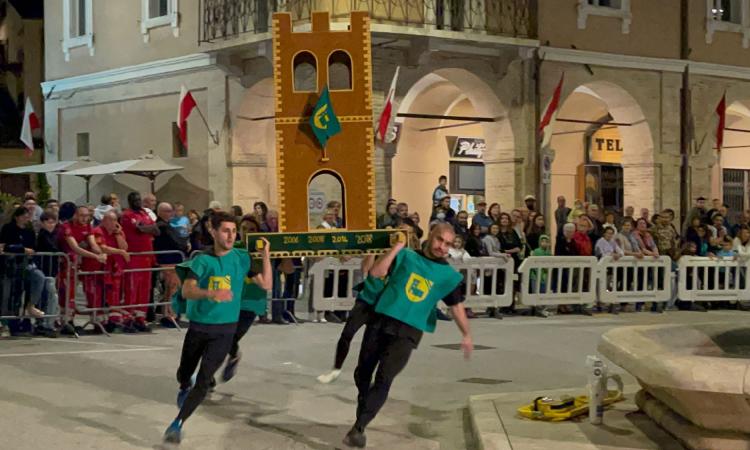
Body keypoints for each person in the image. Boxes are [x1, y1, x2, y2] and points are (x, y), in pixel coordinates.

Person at [342, 223, 472, 448]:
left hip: (409, 330)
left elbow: (456, 306)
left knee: (385, 377)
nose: (443, 247)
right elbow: (375, 273)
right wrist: (395, 249)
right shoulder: (406, 256)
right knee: (362, 373)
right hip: (381, 318)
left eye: (448, 244)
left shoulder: (447, 276)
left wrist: (466, 334)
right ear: (431, 236)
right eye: (440, 240)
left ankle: (359, 427)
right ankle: (363, 413)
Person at [163, 212, 269, 444]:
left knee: (203, 380)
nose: (231, 236)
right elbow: (187, 290)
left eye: (234, 231)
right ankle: (183, 384)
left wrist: (266, 257)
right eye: (225, 231)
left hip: (225, 330)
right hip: (199, 327)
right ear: (213, 231)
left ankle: (177, 423)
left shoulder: (242, 258)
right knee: (185, 372)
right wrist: (211, 293)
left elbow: (266, 284)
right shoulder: (202, 260)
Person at [220, 227, 273, 383]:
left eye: (247, 228)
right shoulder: (235, 249)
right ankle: (208, 376)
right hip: (231, 301)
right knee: (219, 338)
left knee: (229, 338)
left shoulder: (267, 250)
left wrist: (265, 255)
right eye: (240, 229)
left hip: (251, 304)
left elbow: (267, 283)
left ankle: (234, 355)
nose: (244, 232)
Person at [317, 255, 381, 384]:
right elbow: (365, 269)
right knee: (347, 334)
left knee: (372, 343)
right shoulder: (376, 251)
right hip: (365, 300)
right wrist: (372, 253)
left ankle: (370, 377)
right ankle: (336, 369)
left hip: (383, 303)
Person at [58, 205, 107, 334]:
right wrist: (96, 256)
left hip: (78, 264)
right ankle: (66, 321)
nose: (85, 218)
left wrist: (100, 253)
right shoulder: (66, 227)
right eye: (82, 216)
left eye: (87, 216)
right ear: (75, 215)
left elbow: (93, 244)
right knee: (67, 294)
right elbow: (75, 248)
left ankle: (71, 320)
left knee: (75, 294)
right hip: (65, 264)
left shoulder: (88, 226)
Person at [120, 192, 159, 332]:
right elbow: (139, 228)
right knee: (131, 289)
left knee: (144, 290)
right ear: (130, 201)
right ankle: (128, 319)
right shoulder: (127, 215)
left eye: (139, 199)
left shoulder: (144, 213)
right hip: (133, 257)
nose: (138, 202)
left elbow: (156, 230)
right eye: (135, 200)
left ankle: (140, 318)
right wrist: (145, 228)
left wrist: (144, 228)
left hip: (147, 257)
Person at [91, 211, 131, 331]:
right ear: (104, 221)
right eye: (111, 220)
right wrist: (120, 252)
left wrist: (118, 234)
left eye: (115, 221)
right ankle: (99, 322)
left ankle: (113, 320)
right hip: (100, 268)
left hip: (115, 269)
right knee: (99, 295)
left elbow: (124, 247)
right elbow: (102, 247)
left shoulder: (117, 232)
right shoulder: (98, 231)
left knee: (114, 296)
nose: (113, 223)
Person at [154, 202, 189, 327]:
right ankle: (168, 315)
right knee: (171, 288)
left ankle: (169, 313)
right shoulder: (162, 226)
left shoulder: (167, 225)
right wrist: (184, 245)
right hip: (168, 260)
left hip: (172, 260)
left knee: (172, 288)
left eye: (171, 211)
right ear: (161, 212)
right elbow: (175, 241)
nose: (171, 214)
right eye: (168, 211)